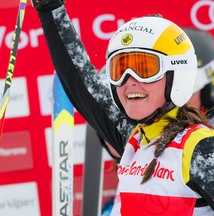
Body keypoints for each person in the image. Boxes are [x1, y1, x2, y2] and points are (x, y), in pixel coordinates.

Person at [31, 0, 214, 215]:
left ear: (176, 75)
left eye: (145, 69)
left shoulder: (200, 148)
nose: (130, 80)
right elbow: (81, 81)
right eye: (120, 69)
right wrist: (49, 8)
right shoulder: (134, 141)